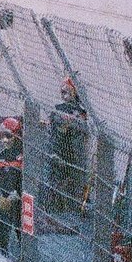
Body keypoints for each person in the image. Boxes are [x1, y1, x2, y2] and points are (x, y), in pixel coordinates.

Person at [47, 80, 89, 219]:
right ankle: (54, 208)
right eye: (62, 91)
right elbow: (56, 125)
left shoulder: (81, 111)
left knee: (71, 180)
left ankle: (70, 208)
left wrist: (69, 120)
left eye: (67, 91)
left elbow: (77, 126)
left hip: (73, 152)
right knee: (55, 179)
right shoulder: (58, 108)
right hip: (57, 148)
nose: (63, 94)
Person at [0, 117, 25, 253]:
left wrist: (12, 198)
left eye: (8, 136)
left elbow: (24, 184)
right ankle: (0, 249)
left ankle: (24, 253)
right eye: (2, 136)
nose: (4, 140)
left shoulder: (23, 158)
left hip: (18, 201)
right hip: (3, 199)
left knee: (22, 230)